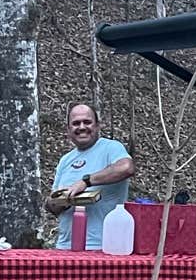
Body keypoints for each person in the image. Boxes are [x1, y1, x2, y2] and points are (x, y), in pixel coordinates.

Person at [46, 101, 134, 249]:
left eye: (87, 122)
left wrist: (86, 182)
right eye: (76, 123)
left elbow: (126, 167)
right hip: (65, 246)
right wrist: (58, 201)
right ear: (68, 129)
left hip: (102, 246)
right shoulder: (65, 160)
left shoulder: (111, 148)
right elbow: (53, 207)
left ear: (97, 126)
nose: (81, 127)